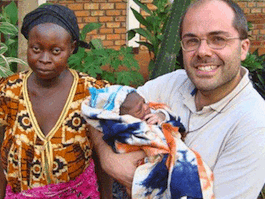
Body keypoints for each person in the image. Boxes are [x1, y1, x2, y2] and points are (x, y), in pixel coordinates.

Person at [89, 0, 265, 198]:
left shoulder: (255, 125)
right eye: (192, 41)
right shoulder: (174, 82)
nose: (202, 51)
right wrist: (109, 159)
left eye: (218, 39)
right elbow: (103, 110)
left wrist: (138, 183)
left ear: (243, 48)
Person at [0, 4, 110, 199]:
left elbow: (103, 156)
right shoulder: (9, 92)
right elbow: (2, 155)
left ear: (71, 48)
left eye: (55, 51)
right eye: (36, 49)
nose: (44, 58)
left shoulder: (91, 93)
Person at [82, 85, 213, 198]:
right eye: (139, 109)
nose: (146, 107)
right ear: (123, 119)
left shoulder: (147, 111)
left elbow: (172, 120)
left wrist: (161, 116)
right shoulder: (124, 129)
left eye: (144, 102)